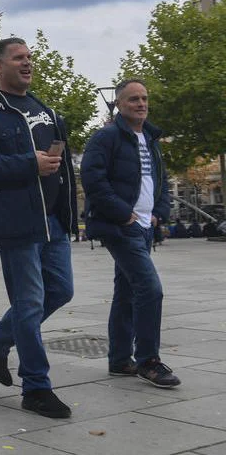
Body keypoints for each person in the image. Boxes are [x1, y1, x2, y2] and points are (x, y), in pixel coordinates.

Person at [0, 37, 78, 419]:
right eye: (18, 58)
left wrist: (69, 214)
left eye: (29, 57)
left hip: (52, 220)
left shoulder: (43, 108)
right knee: (28, 304)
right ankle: (36, 388)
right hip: (16, 221)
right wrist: (29, 164)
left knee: (60, 290)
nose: (27, 63)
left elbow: (60, 164)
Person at [80, 79, 180, 389]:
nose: (141, 103)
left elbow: (159, 182)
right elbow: (93, 181)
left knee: (126, 293)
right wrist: (125, 215)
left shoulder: (150, 139)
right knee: (150, 289)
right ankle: (148, 360)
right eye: (133, 99)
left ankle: (120, 359)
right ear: (119, 105)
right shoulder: (106, 138)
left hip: (145, 228)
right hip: (121, 228)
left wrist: (157, 214)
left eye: (144, 98)